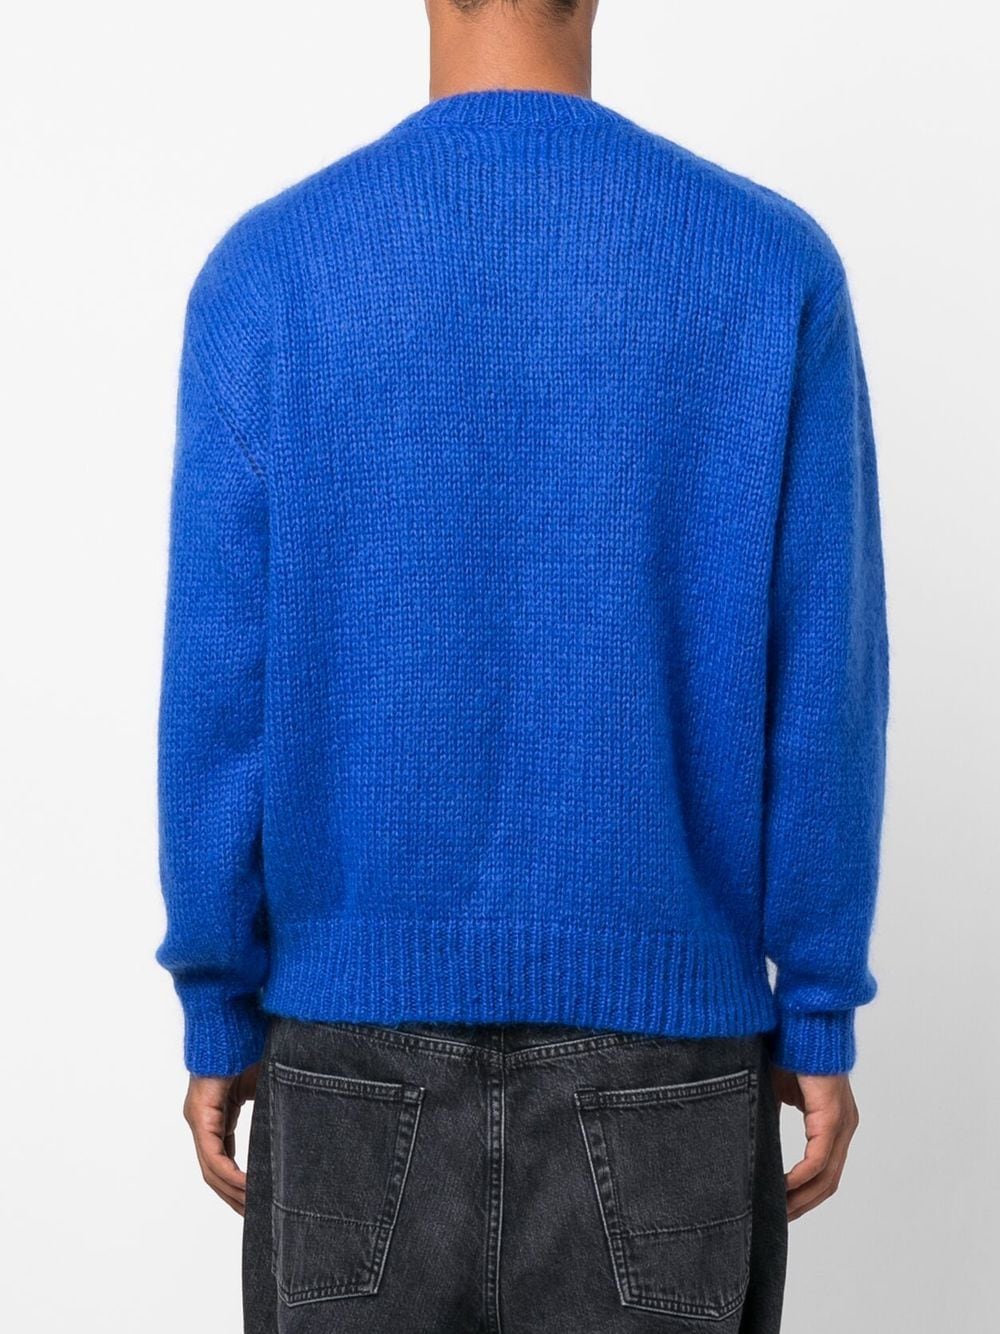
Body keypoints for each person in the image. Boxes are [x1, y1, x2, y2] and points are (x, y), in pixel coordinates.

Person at [156, 1, 889, 1329]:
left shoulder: (269, 274)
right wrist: (820, 1007)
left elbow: (220, 697)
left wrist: (220, 1002)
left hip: (349, 1067)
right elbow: (821, 689)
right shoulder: (769, 265)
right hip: (667, 1066)